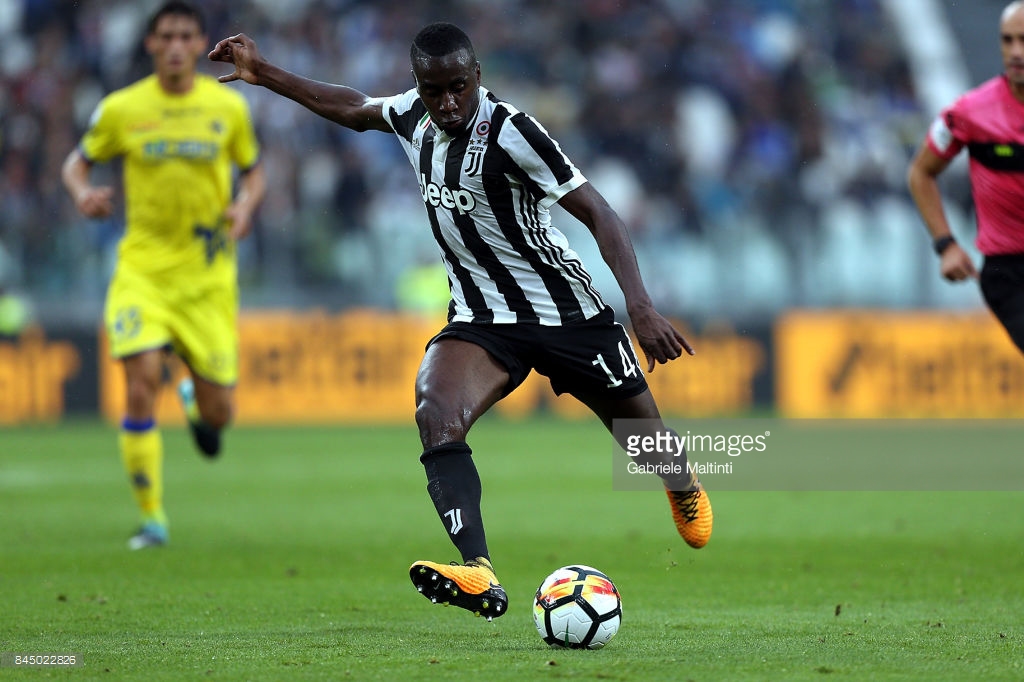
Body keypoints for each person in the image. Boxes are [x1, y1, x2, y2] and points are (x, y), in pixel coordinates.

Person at [208, 22, 710, 619]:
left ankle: (681, 486)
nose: (446, 102)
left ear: (477, 78)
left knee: (645, 442)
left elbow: (599, 213)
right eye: (433, 89)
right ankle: (478, 570)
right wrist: (265, 74)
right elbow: (351, 105)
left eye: (457, 87)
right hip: (482, 318)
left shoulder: (516, 132)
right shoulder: (412, 117)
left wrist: (641, 308)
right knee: (435, 412)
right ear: (419, 86)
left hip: (567, 314)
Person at [62, 0, 265, 550]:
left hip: (207, 278)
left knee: (221, 415)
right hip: (142, 271)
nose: (176, 46)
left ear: (198, 43)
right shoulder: (122, 109)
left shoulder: (228, 109)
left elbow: (255, 173)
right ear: (151, 44)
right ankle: (152, 519)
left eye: (185, 36)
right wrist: (83, 194)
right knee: (138, 385)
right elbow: (76, 163)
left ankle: (197, 402)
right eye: (166, 36)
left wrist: (245, 207)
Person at [908, 1, 1024, 354]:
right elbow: (920, 172)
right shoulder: (969, 113)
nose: (1015, 52)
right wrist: (946, 244)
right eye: (1007, 41)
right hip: (1011, 275)